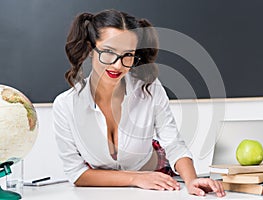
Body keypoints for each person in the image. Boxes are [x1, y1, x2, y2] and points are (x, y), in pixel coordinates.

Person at [53, 9, 225, 197]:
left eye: (128, 55)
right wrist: (135, 178)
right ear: (90, 49)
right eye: (109, 52)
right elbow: (76, 173)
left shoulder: (149, 89)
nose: (118, 65)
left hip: (154, 183)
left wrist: (192, 181)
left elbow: (173, 144)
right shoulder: (65, 105)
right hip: (100, 191)